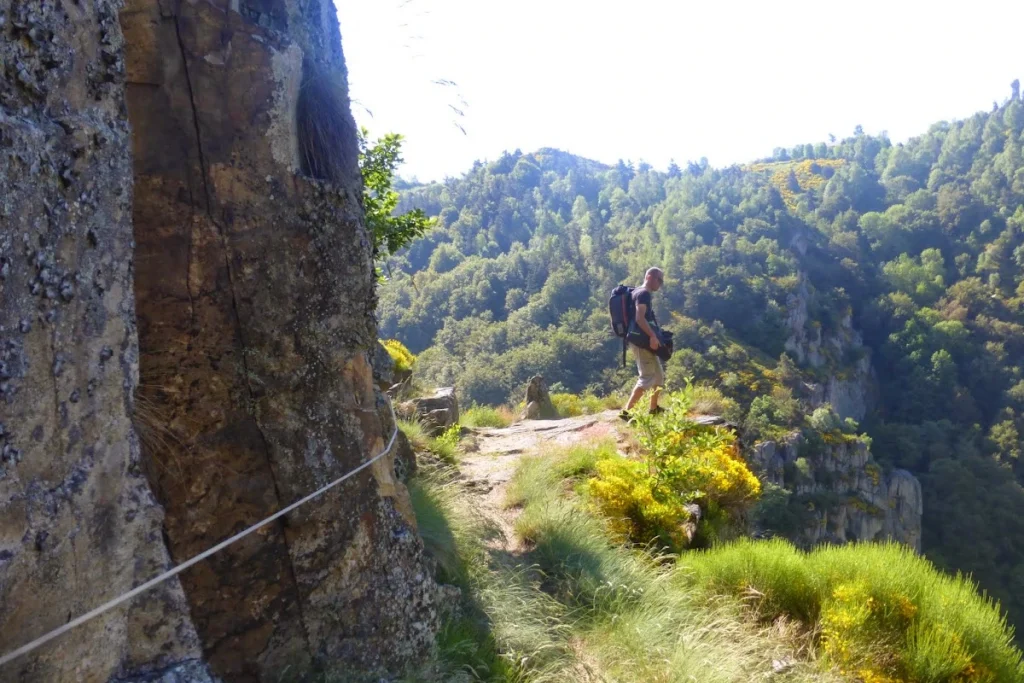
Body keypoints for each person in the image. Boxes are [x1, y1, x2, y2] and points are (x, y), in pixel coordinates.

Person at [621, 267, 665, 420]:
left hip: (644, 341)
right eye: (659, 280)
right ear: (649, 277)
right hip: (641, 342)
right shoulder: (643, 293)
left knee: (658, 377)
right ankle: (627, 413)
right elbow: (640, 318)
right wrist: (653, 336)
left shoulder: (639, 292)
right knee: (647, 377)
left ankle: (653, 409)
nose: (660, 284)